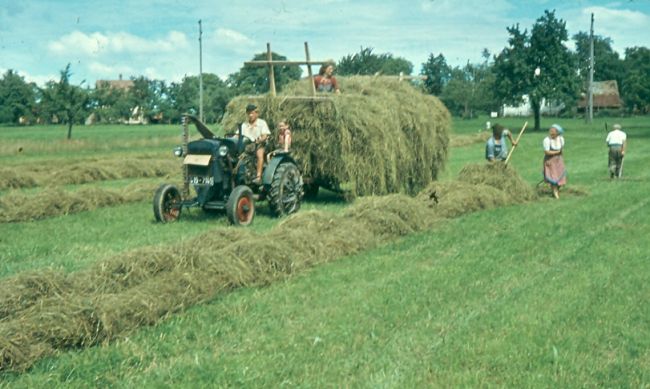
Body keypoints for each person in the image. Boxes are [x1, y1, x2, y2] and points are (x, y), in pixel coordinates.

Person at [239, 103, 270, 184]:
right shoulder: (244, 125)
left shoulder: (262, 123)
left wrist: (259, 140)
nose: (250, 115)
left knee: (259, 153)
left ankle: (258, 177)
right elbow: (238, 136)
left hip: (260, 144)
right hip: (247, 145)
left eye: (252, 113)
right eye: (248, 113)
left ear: (257, 113)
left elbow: (265, 136)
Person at [542, 123, 566, 199]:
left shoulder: (561, 139)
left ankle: (556, 190)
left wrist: (560, 153)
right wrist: (557, 152)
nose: (551, 133)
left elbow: (561, 149)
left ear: (557, 133)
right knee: (553, 178)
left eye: (553, 131)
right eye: (550, 131)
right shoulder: (547, 140)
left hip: (559, 161)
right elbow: (546, 152)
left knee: (560, 177)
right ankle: (555, 194)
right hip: (550, 161)